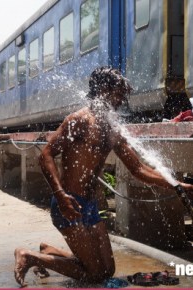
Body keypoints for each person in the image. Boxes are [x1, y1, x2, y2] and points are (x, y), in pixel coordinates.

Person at [14, 67, 193, 286]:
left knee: (107, 270)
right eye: (119, 93)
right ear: (104, 91)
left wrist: (177, 185)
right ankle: (29, 256)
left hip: (89, 206)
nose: (122, 100)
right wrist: (60, 195)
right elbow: (46, 155)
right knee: (96, 274)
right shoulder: (78, 120)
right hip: (69, 205)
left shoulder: (112, 128)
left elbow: (139, 169)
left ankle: (49, 252)